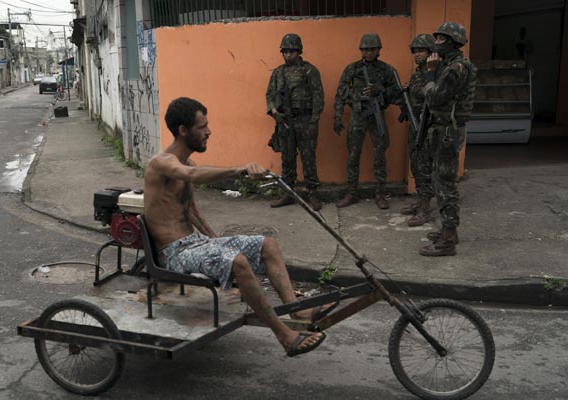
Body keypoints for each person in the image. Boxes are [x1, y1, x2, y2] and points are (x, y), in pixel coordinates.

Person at [143, 97, 333, 356]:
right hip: (174, 254)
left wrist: (215, 240)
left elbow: (191, 211)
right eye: (202, 127)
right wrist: (239, 170)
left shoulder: (188, 163)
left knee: (268, 244)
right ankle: (285, 336)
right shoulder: (162, 163)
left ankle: (297, 309)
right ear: (183, 130)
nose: (209, 132)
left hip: (196, 244)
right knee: (239, 262)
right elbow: (190, 176)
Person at [419, 22, 477, 257]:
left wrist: (430, 75)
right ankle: (447, 230)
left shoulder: (455, 68)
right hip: (443, 131)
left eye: (441, 39)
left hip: (447, 133)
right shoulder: (452, 65)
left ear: (452, 42)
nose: (436, 43)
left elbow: (434, 98)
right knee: (439, 180)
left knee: (445, 184)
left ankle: (449, 238)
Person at [333, 33, 399, 209]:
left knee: (380, 155)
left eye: (372, 49)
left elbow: (397, 95)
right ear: (361, 50)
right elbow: (340, 94)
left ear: (378, 50)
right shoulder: (352, 69)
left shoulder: (387, 70)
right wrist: (338, 116)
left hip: (376, 115)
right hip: (358, 116)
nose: (368, 53)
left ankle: (380, 194)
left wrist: (380, 90)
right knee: (353, 155)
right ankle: (352, 193)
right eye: (365, 49)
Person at [266, 33, 324, 211]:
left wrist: (314, 122)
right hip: (285, 121)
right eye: (285, 51)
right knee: (287, 157)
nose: (288, 54)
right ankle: (288, 192)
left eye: (292, 51)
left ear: (299, 52)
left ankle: (312, 192)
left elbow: (318, 97)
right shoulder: (278, 73)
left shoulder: (309, 71)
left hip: (304, 119)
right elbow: (269, 95)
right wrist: (275, 113)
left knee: (308, 157)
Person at [400, 34, 436, 227]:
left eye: (421, 50)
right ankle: (420, 200)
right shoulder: (417, 74)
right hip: (414, 125)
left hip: (427, 126)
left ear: (431, 53)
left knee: (424, 167)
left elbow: (432, 96)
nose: (417, 54)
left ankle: (425, 208)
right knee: (415, 163)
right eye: (415, 51)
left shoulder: (435, 74)